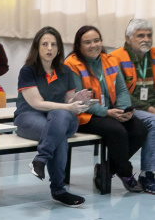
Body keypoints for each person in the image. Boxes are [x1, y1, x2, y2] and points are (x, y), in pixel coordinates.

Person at [15, 27, 91, 206]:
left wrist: (76, 99)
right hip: (29, 117)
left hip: (63, 119)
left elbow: (68, 102)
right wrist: (67, 105)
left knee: (59, 118)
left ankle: (40, 160)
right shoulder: (28, 71)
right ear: (37, 47)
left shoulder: (65, 71)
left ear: (58, 49)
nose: (49, 48)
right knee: (58, 134)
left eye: (53, 44)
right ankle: (58, 190)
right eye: (45, 44)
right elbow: (37, 103)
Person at [65, 25, 146, 193]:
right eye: (87, 42)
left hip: (109, 113)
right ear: (78, 46)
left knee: (139, 129)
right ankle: (126, 173)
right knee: (117, 131)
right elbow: (80, 100)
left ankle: (106, 170)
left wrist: (123, 111)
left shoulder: (109, 60)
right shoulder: (72, 64)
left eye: (96, 40)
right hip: (84, 115)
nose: (93, 45)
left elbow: (122, 89)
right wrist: (106, 112)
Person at [110, 19, 155, 193]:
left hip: (150, 107)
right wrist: (149, 108)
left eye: (149, 35)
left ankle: (109, 167)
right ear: (128, 39)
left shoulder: (153, 55)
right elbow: (118, 93)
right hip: (127, 108)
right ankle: (147, 174)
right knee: (153, 121)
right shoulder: (115, 58)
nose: (146, 39)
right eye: (140, 35)